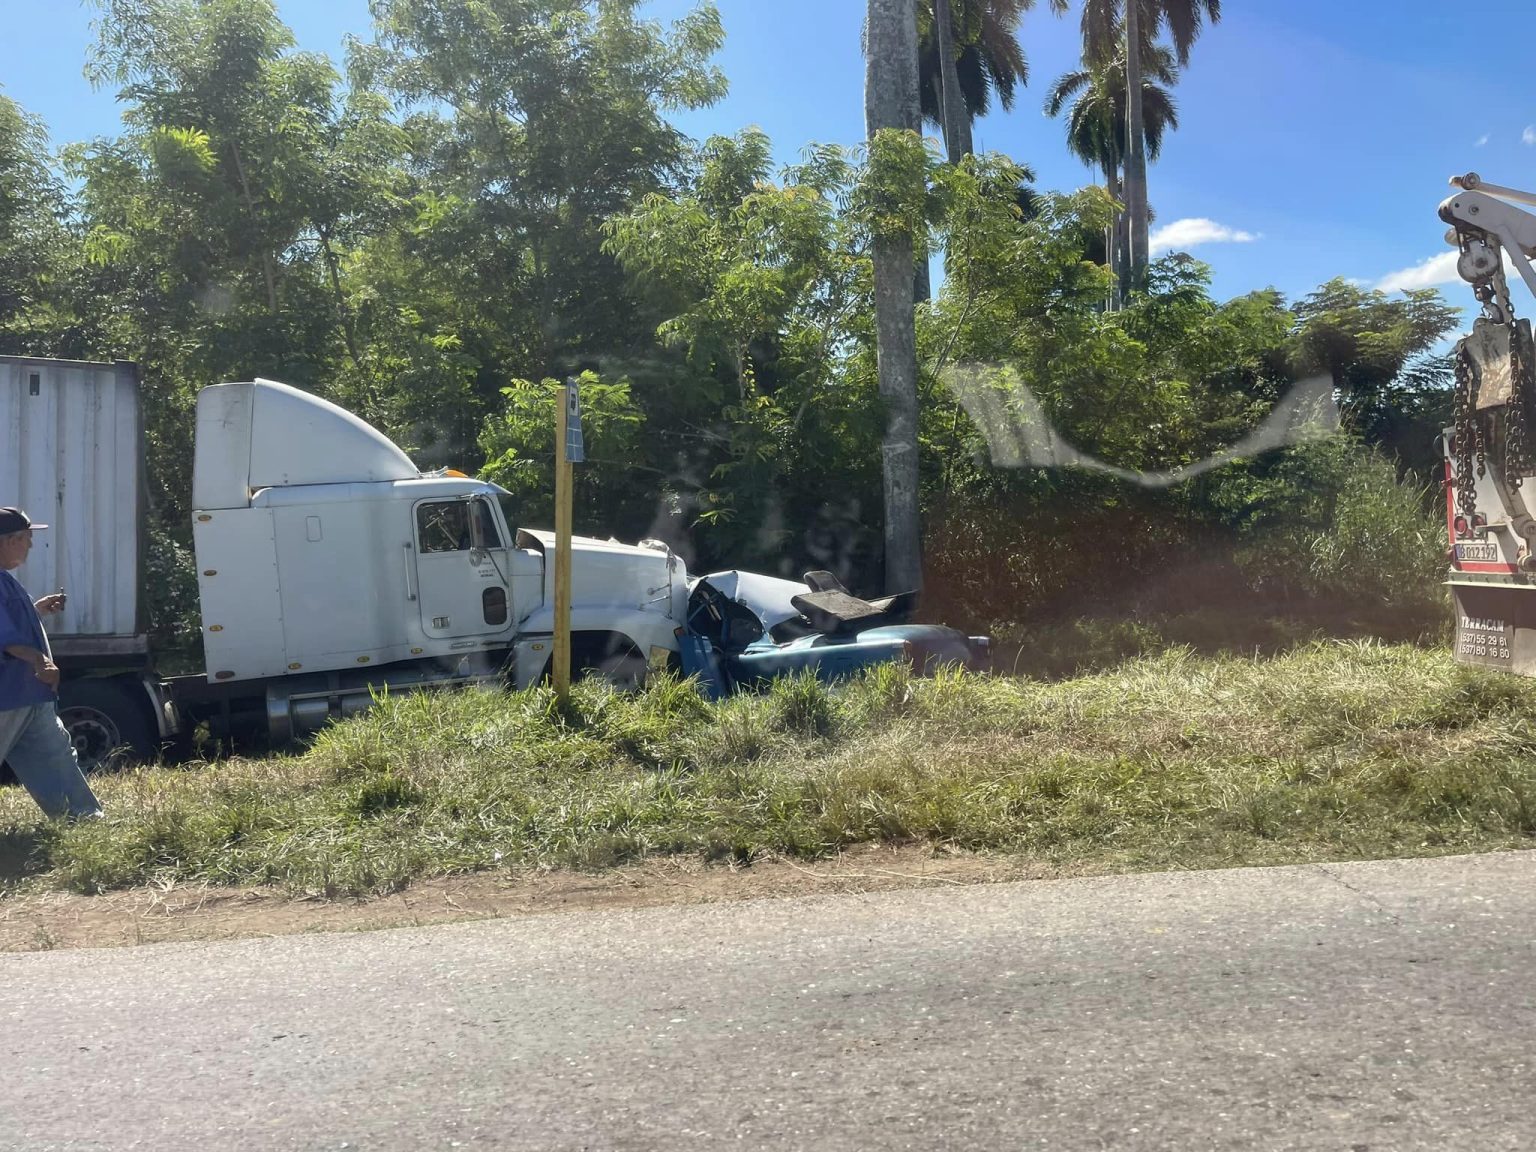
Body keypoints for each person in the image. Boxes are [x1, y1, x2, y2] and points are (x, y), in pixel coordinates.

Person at [0, 507, 103, 820]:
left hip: (27, 695)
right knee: (53, 757)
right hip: (8, 697)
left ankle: (83, 820)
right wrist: (39, 660)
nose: (31, 545)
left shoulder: (5, 580)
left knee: (56, 758)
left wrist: (36, 610)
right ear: (7, 541)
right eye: (27, 539)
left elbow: (10, 623)